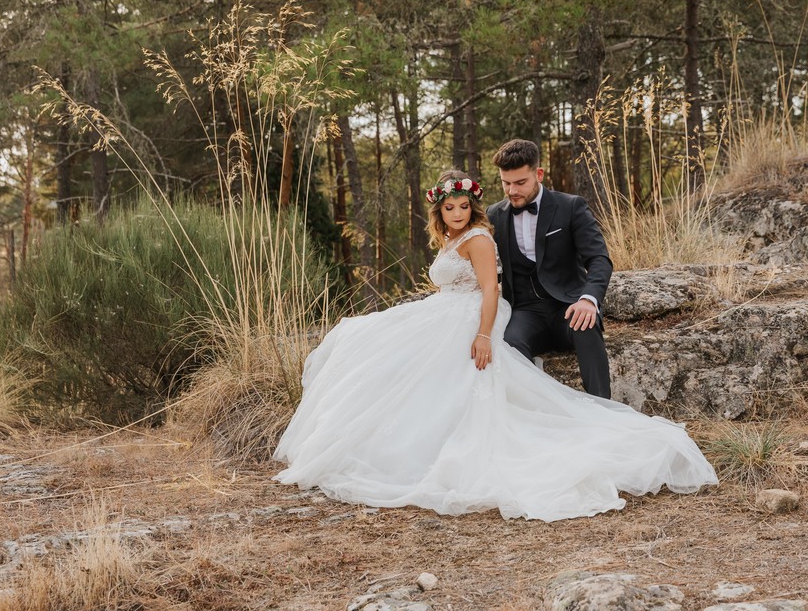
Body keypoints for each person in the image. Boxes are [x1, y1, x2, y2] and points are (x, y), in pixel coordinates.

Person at [273, 170, 717, 522]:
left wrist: (484, 335)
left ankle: (601, 414)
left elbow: (491, 289)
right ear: (439, 211)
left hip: (478, 315)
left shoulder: (481, 237)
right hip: (448, 311)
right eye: (450, 207)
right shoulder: (460, 235)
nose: (458, 212)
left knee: (448, 366)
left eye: (464, 205)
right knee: (367, 342)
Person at [487, 139, 612, 397]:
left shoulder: (571, 206)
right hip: (525, 312)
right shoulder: (493, 215)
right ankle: (534, 411)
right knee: (509, 344)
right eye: (506, 183)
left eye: (520, 182)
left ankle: (603, 406)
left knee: (586, 325)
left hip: (568, 306)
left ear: (539, 174)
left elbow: (598, 258)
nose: (512, 191)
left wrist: (588, 299)